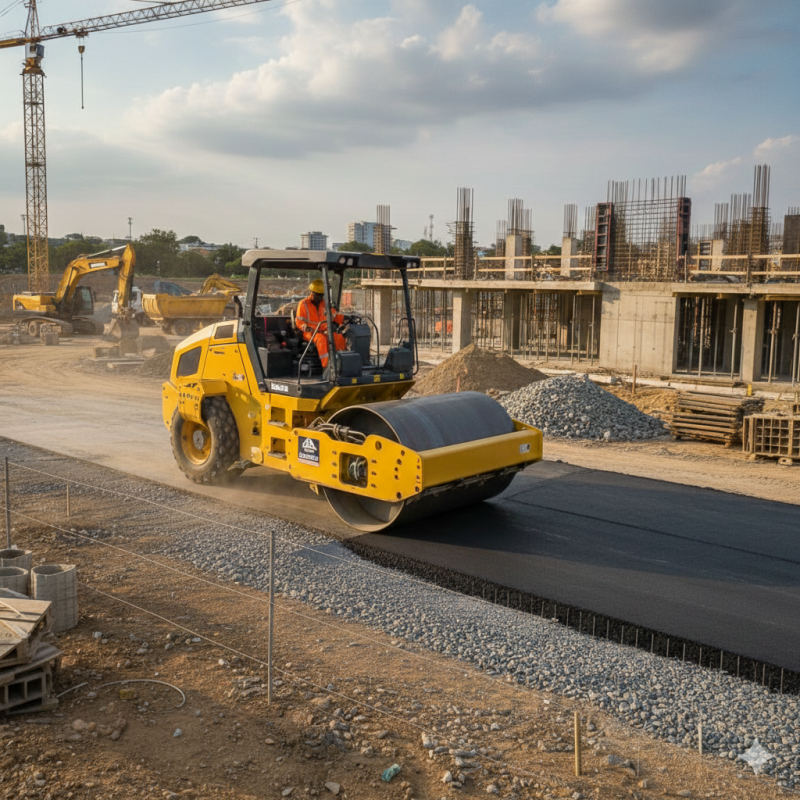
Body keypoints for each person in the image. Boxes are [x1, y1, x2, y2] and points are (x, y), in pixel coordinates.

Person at [295, 278, 346, 371]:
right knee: (321, 339)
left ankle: (342, 364)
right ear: (313, 293)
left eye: (322, 295)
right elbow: (299, 321)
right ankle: (326, 367)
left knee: (338, 337)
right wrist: (304, 326)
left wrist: (345, 319)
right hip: (309, 333)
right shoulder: (303, 304)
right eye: (319, 295)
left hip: (324, 331)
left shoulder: (324, 304)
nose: (320, 298)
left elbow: (334, 315)